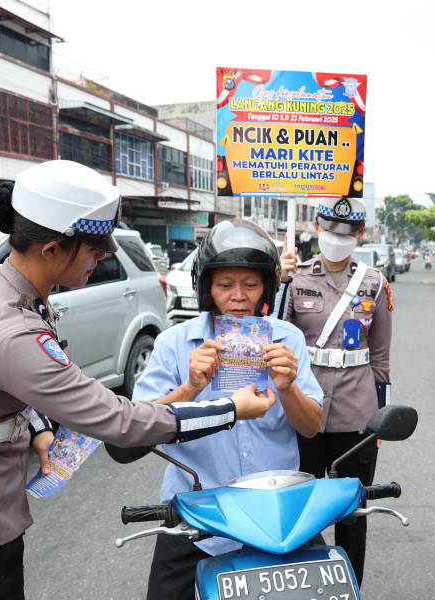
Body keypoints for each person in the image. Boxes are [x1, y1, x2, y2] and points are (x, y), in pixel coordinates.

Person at [0, 160, 276, 600]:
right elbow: (120, 422)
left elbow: (1, 380)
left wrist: (36, 427)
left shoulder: (3, 283)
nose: (104, 257)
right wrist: (232, 409)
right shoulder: (11, 329)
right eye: (94, 251)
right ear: (51, 249)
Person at [133, 219, 324, 600]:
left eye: (250, 285)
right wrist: (191, 387)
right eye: (225, 285)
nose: (238, 297)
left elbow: (312, 426)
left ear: (266, 288)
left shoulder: (289, 340)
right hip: (197, 515)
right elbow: (136, 427)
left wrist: (287, 388)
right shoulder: (175, 344)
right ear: (207, 290)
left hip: (278, 511)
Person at [277, 197, 393, 586]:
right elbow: (274, 335)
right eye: (330, 231)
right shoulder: (294, 279)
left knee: (352, 514)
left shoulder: (374, 283)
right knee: (299, 510)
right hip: (304, 411)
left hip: (356, 415)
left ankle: (349, 587)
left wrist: (380, 422)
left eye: (347, 233)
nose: (337, 239)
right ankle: (303, 585)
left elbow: (381, 360)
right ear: (316, 228)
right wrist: (277, 280)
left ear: (360, 234)